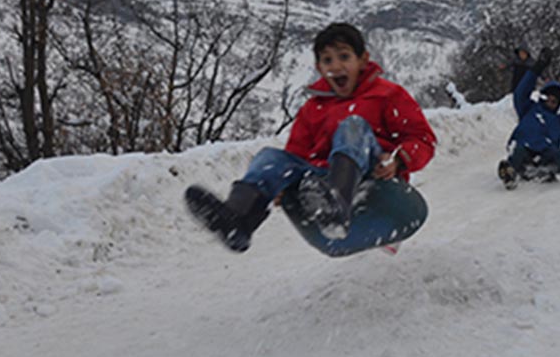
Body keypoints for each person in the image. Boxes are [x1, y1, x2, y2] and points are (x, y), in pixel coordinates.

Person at [184, 22, 437, 251]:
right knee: (270, 157)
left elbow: (422, 138)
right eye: (327, 61)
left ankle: (338, 202)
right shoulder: (313, 109)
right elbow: (296, 155)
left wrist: (398, 160)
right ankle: (239, 220)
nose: (336, 66)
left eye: (344, 57)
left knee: (353, 126)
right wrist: (282, 184)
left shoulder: (387, 95)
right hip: (318, 186)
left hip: (369, 172)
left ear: (363, 60)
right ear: (319, 68)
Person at [497, 49, 560, 189]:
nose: (551, 101)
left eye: (555, 100)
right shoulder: (528, 108)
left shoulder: (559, 121)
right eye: (549, 97)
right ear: (543, 97)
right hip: (524, 153)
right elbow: (520, 93)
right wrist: (537, 68)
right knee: (517, 151)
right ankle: (510, 174)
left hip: (546, 158)